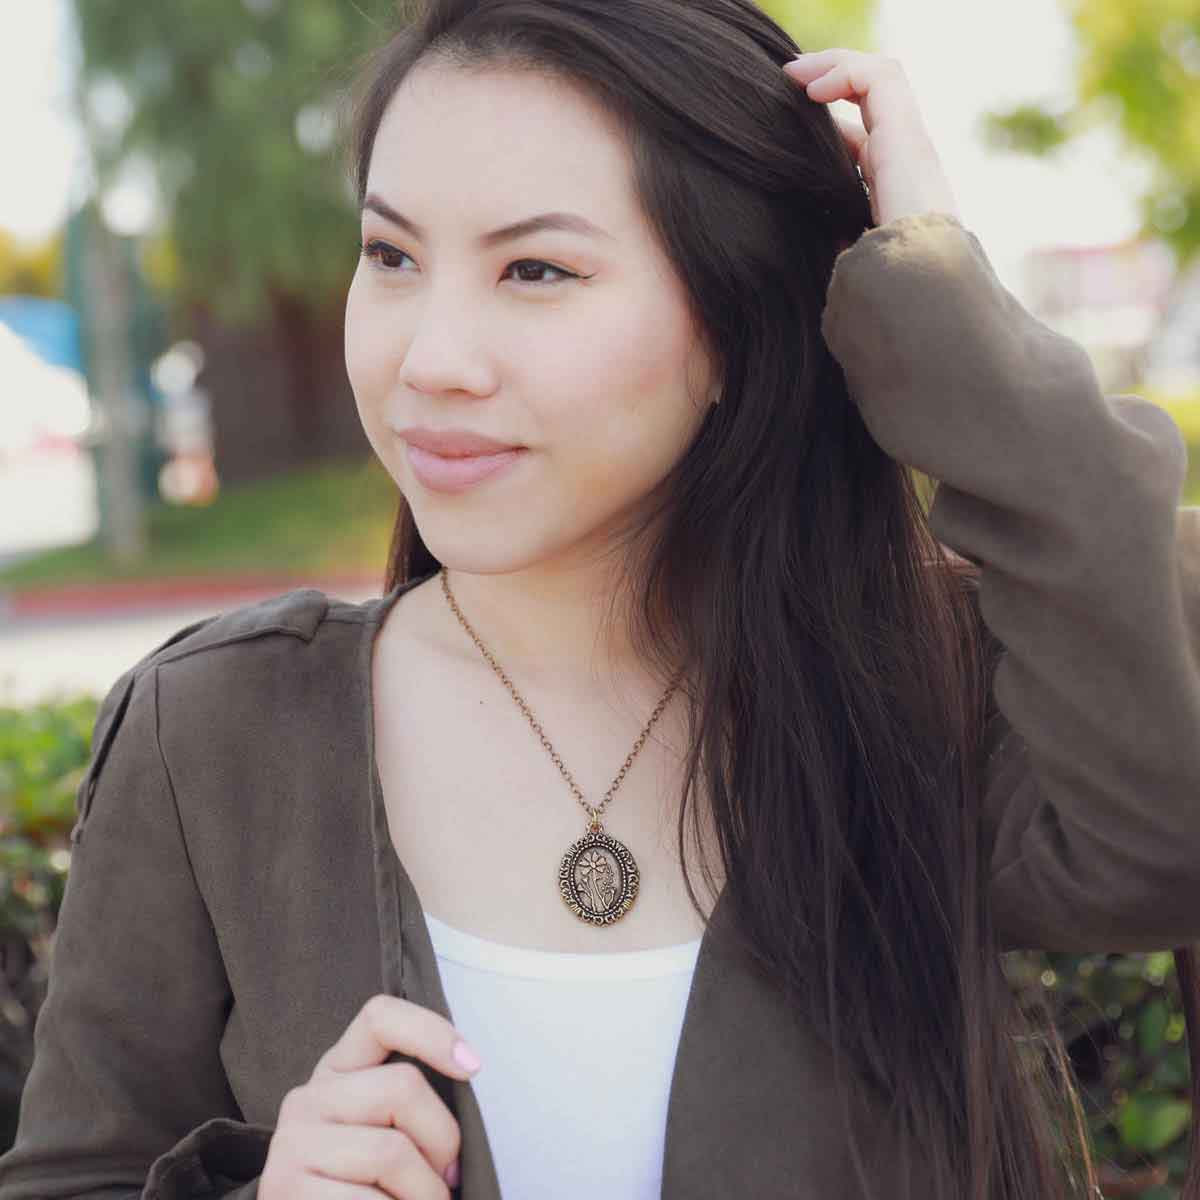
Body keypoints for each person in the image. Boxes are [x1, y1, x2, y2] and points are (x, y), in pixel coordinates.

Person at [3, 2, 1199, 1198]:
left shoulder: (918, 686)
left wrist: (938, 297)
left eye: (536, 269)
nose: (432, 359)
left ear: (736, 321)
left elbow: (1162, 845)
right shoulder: (214, 735)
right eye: (391, 256)